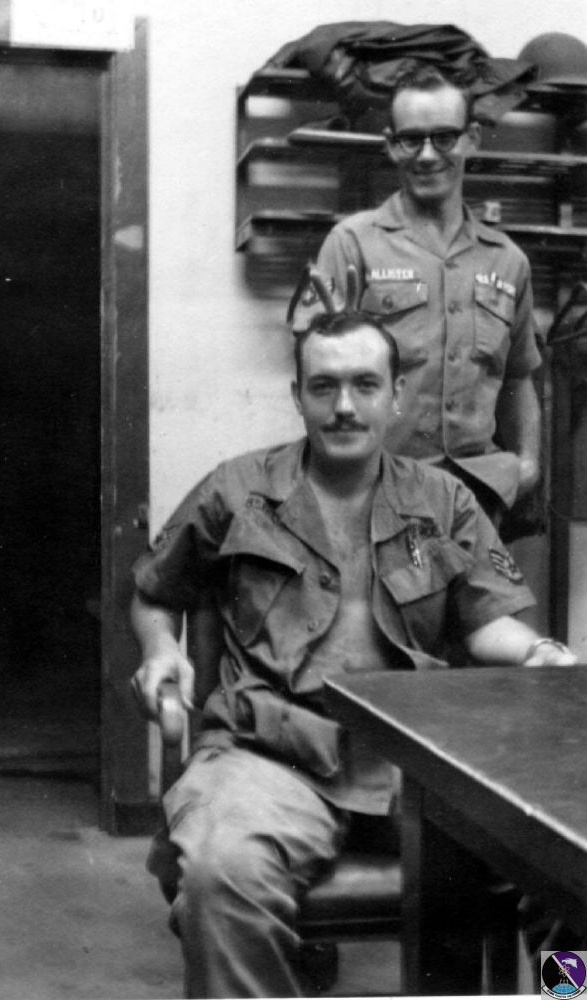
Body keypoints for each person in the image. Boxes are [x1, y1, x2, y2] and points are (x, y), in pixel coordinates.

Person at [131, 311, 574, 999]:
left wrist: (542, 653)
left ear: (396, 395)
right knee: (222, 875)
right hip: (269, 753)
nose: (344, 405)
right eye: (324, 386)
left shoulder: (445, 501)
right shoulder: (237, 490)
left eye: (365, 385)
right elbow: (154, 591)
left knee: (569, 875)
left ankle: (566, 997)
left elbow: (487, 622)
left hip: (420, 762)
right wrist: (162, 649)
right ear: (298, 395)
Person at [311, 64, 542, 523]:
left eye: (444, 137)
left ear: (471, 139)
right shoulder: (352, 244)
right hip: (379, 496)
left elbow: (519, 378)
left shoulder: (508, 261)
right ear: (390, 144)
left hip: (479, 501)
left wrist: (528, 465)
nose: (427, 154)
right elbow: (314, 377)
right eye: (411, 139)